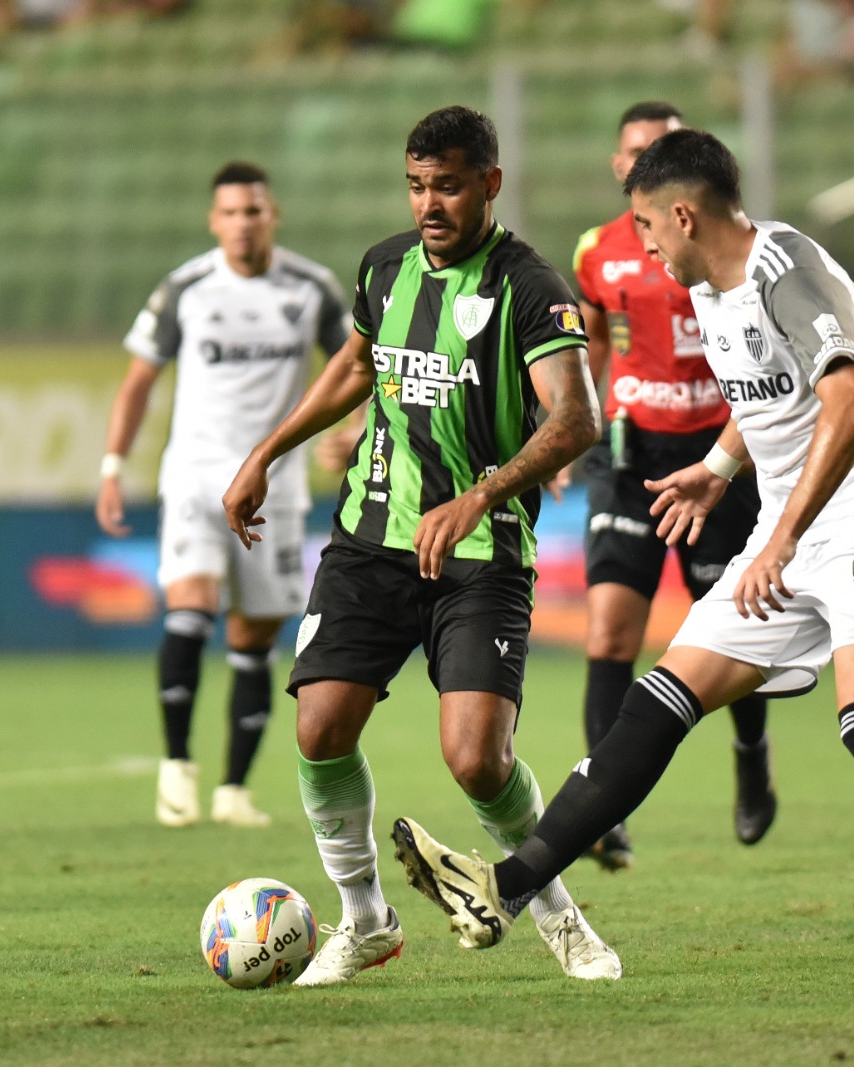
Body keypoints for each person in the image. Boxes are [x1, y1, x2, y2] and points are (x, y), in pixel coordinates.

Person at [392, 128, 854, 1002]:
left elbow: (846, 405)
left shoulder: (786, 270)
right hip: (788, 519)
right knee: (658, 703)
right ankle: (504, 889)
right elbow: (773, 392)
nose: (645, 247)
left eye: (650, 229)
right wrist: (721, 467)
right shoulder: (714, 291)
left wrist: (777, 539)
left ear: (685, 215)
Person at [223, 105, 619, 987]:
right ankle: (364, 918)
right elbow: (357, 368)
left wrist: (479, 495)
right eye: (415, 185)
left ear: (489, 183)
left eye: (445, 185)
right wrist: (267, 450)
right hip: (371, 538)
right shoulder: (385, 267)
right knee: (321, 726)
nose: (428, 203)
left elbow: (577, 417)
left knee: (478, 757)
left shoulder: (529, 286)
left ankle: (557, 914)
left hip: (481, 551)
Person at [97, 161, 350, 830]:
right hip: (197, 474)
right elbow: (138, 381)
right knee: (191, 604)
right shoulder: (186, 288)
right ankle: (176, 765)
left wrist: (352, 431)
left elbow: (359, 365)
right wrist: (112, 464)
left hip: (276, 479)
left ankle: (234, 787)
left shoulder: (311, 287)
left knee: (254, 634)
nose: (243, 223)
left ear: (274, 216)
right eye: (231, 213)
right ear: (214, 221)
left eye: (255, 211)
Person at [570, 100, 775, 872]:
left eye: (661, 146)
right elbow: (593, 339)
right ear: (618, 166)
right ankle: (601, 809)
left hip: (718, 460)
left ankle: (752, 751)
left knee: (734, 638)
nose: (644, 157)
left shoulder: (722, 243)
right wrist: (572, 425)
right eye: (634, 149)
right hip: (628, 454)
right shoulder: (599, 251)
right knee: (608, 633)